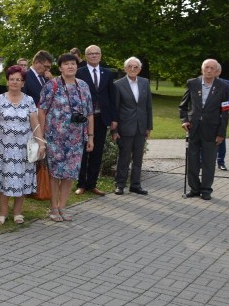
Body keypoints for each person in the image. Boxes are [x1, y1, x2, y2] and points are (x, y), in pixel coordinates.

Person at [38, 53, 94, 222]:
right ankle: (53, 207)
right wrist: (41, 136)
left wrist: (90, 137)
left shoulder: (83, 86)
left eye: (73, 64)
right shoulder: (52, 85)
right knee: (55, 174)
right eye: (67, 64)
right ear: (60, 67)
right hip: (55, 138)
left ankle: (63, 206)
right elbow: (41, 111)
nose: (70, 67)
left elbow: (90, 113)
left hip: (76, 138)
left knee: (70, 174)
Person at [0, 66, 43, 225]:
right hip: (3, 148)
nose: (14, 82)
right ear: (7, 81)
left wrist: (41, 144)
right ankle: (3, 213)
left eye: (18, 79)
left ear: (23, 83)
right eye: (12, 79)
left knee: (22, 178)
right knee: (4, 179)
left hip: (22, 149)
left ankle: (18, 213)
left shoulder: (29, 100)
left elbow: (36, 125)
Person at [180, 59, 229, 200]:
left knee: (209, 162)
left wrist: (222, 133)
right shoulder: (192, 83)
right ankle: (194, 188)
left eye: (212, 68)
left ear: (216, 71)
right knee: (193, 161)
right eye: (206, 68)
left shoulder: (223, 86)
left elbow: (225, 111)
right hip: (194, 128)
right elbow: (183, 106)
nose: (208, 70)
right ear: (202, 69)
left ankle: (206, 190)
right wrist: (184, 120)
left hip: (212, 130)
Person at [75, 45, 117, 196]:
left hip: (101, 118)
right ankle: (81, 184)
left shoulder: (107, 73)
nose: (94, 56)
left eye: (96, 53)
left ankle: (92, 184)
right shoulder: (79, 72)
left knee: (97, 153)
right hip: (83, 119)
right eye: (91, 54)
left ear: (101, 55)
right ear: (86, 56)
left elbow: (112, 96)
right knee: (83, 152)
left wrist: (114, 118)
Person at [112, 57, 152, 195]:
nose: (133, 69)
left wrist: (149, 127)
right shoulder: (118, 84)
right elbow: (115, 108)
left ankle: (135, 184)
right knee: (124, 157)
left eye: (136, 67)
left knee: (138, 157)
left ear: (140, 69)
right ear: (125, 68)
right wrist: (115, 130)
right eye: (130, 66)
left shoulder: (145, 82)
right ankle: (120, 184)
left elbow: (148, 106)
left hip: (141, 126)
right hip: (125, 127)